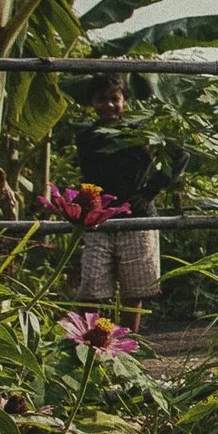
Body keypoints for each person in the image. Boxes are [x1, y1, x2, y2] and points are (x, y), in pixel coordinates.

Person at [73, 72, 165, 325]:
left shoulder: (142, 132)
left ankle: (125, 353)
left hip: (136, 217)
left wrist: (150, 191)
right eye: (101, 99)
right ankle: (86, 349)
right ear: (92, 102)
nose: (109, 105)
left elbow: (180, 155)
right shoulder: (86, 137)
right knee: (91, 290)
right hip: (98, 218)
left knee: (133, 291)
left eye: (115, 98)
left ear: (125, 100)